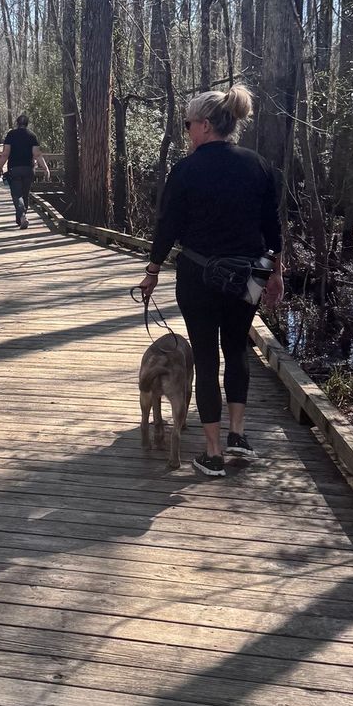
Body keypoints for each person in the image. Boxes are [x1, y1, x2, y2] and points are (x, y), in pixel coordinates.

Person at [138, 86, 284, 479]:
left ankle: (213, 451)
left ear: (204, 125)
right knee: (237, 348)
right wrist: (277, 273)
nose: (187, 132)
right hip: (250, 275)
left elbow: (167, 226)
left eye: (188, 125)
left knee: (205, 357)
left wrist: (152, 271)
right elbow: (272, 227)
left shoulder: (186, 170)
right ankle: (238, 433)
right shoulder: (259, 165)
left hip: (199, 275)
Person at [0, 112, 50, 228]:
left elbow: (5, 154)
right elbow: (37, 154)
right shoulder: (32, 135)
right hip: (28, 169)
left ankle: (23, 215)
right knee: (25, 194)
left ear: (17, 123)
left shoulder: (11, 135)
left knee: (16, 194)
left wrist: (0, 167)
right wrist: (45, 168)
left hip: (14, 168)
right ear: (27, 123)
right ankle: (20, 218)